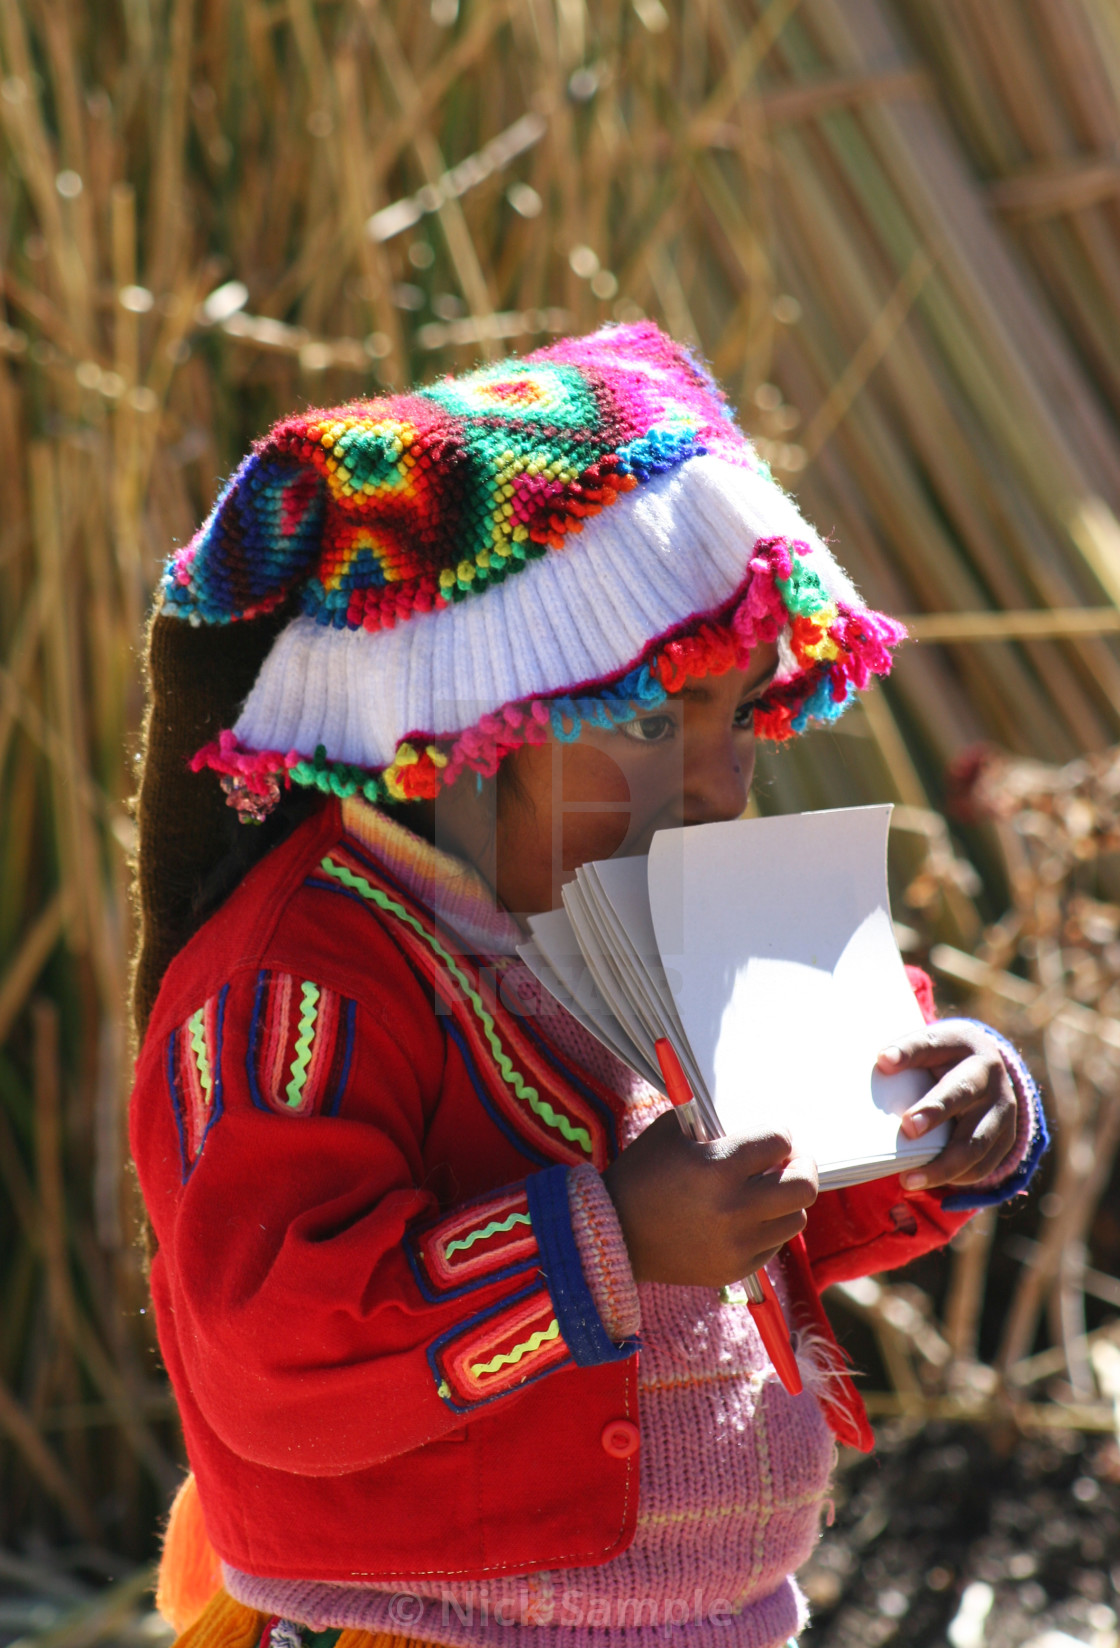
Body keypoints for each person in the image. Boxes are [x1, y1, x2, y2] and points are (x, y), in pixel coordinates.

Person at [130, 323, 1045, 1648]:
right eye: (645, 722)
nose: (722, 778)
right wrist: (600, 1240)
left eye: (736, 714)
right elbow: (270, 1351)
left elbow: (773, 1192)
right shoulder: (300, 987)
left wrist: (934, 1123)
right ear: (459, 723)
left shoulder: (656, 908)